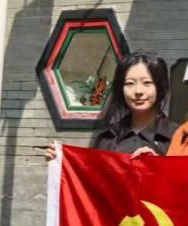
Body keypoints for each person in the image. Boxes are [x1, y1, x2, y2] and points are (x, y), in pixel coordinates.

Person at [46, 53, 176, 160]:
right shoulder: (106, 139)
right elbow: (91, 177)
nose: (138, 91)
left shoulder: (178, 137)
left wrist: (158, 165)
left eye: (147, 83)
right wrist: (62, 160)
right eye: (130, 83)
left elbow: (183, 180)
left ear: (160, 87)